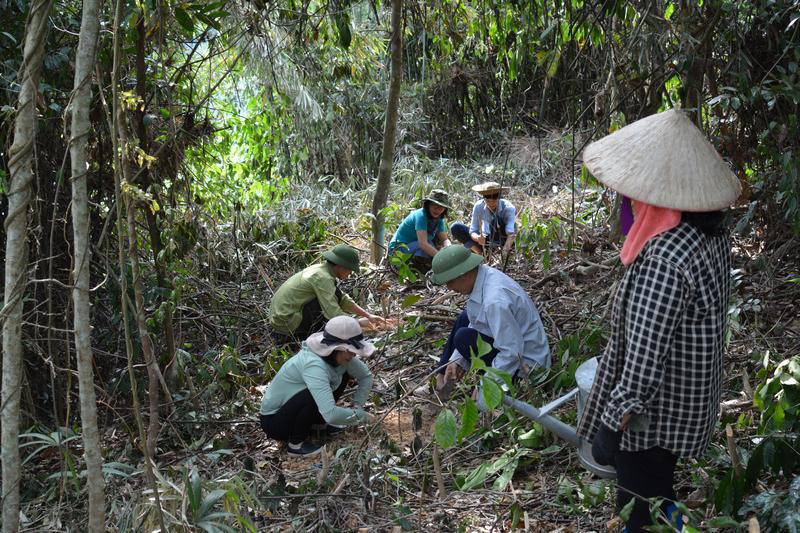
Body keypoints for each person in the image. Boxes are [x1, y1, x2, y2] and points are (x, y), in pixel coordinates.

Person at [576, 108, 741, 533]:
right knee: (654, 498)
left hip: (654, 417)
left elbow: (645, 359)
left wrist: (612, 425)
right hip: (687, 401)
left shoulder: (665, 259)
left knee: (641, 512)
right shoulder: (707, 235)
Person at [416, 245, 550, 402]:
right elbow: (478, 321)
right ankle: (443, 376)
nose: (449, 288)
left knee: (463, 337)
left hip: (526, 368)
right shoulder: (483, 276)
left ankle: (466, 382)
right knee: (464, 318)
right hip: (514, 346)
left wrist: (487, 387)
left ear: (464, 274)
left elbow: (512, 352)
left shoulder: (495, 300)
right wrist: (456, 360)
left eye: (450, 281)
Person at [259, 316, 377, 456]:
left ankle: (318, 425)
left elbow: (366, 377)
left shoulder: (341, 357)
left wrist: (358, 405)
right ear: (338, 349)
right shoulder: (313, 364)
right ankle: (296, 445)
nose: (353, 355)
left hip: (294, 410)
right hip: (275, 422)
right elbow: (331, 414)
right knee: (312, 394)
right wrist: (361, 416)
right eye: (350, 351)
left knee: (343, 371)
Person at [269, 244, 385, 348]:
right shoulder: (323, 278)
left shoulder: (323, 270)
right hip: (286, 322)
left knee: (335, 297)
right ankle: (307, 338)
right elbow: (333, 313)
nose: (350, 274)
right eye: (350, 270)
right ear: (341, 267)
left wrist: (368, 315)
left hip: (282, 317)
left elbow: (342, 299)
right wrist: (358, 322)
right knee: (325, 313)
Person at [387, 189, 452, 271]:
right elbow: (423, 244)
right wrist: (442, 258)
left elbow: (444, 239)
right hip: (397, 251)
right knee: (429, 246)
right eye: (434, 205)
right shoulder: (421, 216)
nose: (437, 209)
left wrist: (450, 252)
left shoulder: (439, 219)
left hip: (415, 247)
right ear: (428, 205)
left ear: (445, 209)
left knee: (434, 245)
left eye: (441, 207)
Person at [450, 181, 516, 259]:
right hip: (485, 240)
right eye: (487, 200)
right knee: (456, 227)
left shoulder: (508, 208)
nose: (491, 203)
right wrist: (478, 238)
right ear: (483, 197)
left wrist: (504, 252)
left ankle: (495, 253)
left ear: (499, 197)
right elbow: (473, 231)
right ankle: (481, 255)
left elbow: (511, 234)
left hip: (502, 241)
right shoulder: (478, 206)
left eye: (494, 199)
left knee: (496, 220)